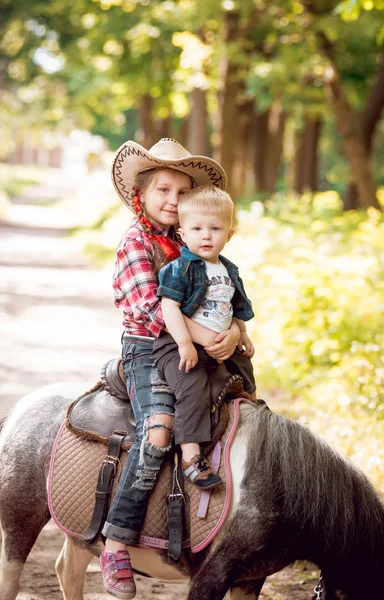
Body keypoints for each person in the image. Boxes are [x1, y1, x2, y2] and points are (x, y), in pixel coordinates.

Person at [100, 138, 242, 599]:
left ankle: (224, 525)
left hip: (201, 347)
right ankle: (117, 540)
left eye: (182, 192)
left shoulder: (194, 238)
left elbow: (226, 297)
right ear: (140, 194)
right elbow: (152, 310)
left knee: (243, 410)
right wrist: (208, 339)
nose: (173, 201)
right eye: (163, 189)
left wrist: (235, 335)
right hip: (147, 347)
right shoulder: (135, 244)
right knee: (159, 428)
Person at [152, 186, 256, 489]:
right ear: (182, 234)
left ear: (230, 234)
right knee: (193, 386)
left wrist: (243, 333)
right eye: (197, 228)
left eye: (215, 228)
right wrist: (185, 343)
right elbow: (168, 306)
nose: (206, 236)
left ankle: (251, 426)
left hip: (217, 345)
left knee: (243, 370)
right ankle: (191, 456)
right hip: (176, 346)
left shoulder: (229, 270)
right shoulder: (180, 268)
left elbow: (235, 305)